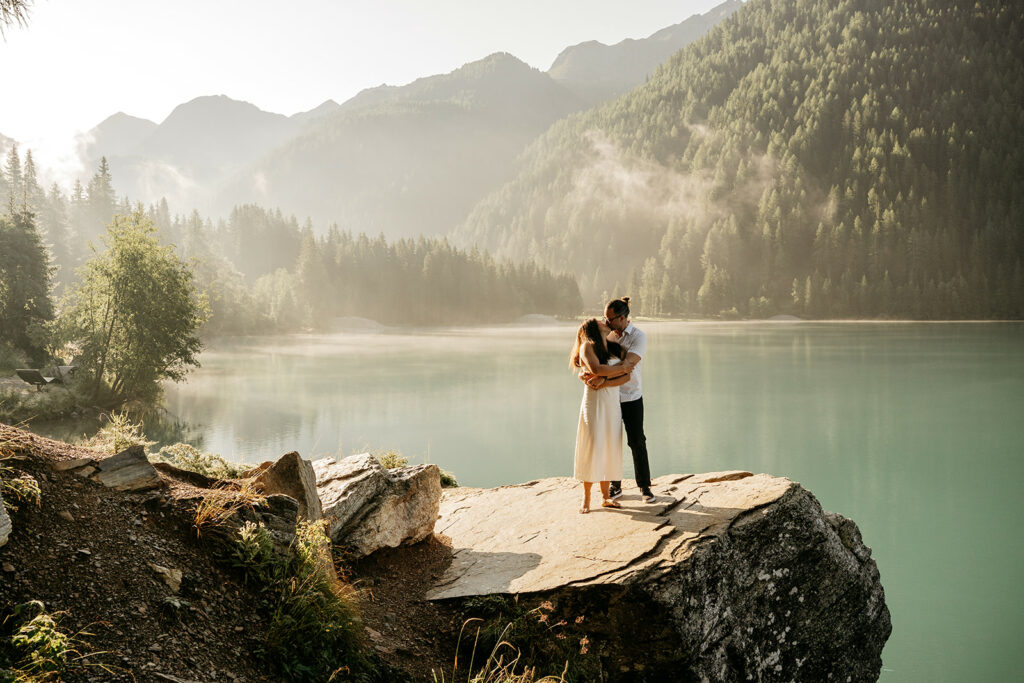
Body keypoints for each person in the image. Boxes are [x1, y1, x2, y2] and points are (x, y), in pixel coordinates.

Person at [582, 297, 656, 503]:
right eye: (604, 318)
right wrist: (588, 373)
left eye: (609, 318)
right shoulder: (608, 336)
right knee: (611, 442)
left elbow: (629, 364)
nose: (605, 322)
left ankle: (644, 487)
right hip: (609, 398)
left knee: (637, 440)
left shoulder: (639, 337)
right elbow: (592, 360)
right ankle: (615, 486)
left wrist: (602, 378)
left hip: (631, 395)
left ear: (622, 318)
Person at [570, 318, 637, 514]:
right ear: (593, 327)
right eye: (600, 320)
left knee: (610, 445)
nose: (604, 321)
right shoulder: (587, 346)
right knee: (593, 444)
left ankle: (606, 496)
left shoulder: (615, 348)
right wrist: (619, 369)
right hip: (594, 401)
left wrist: (606, 380)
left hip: (611, 401)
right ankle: (587, 496)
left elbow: (627, 376)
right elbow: (596, 369)